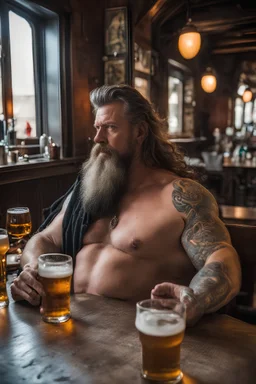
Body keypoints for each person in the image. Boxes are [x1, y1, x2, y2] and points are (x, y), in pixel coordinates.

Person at [10, 84, 241, 326]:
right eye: (97, 128)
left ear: (139, 132)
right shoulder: (89, 190)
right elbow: (44, 239)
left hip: (139, 335)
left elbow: (223, 258)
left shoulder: (180, 195)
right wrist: (34, 268)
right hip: (70, 326)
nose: (98, 139)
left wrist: (196, 300)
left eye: (111, 128)